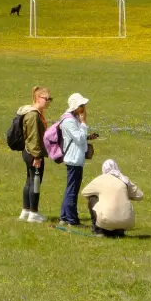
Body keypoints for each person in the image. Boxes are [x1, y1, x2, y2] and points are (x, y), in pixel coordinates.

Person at [57, 93, 94, 227]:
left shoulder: (73, 118)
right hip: (74, 159)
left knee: (70, 188)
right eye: (81, 105)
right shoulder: (69, 121)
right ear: (75, 106)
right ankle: (72, 220)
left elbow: (78, 137)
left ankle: (64, 217)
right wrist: (84, 123)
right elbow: (79, 138)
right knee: (72, 190)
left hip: (75, 157)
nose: (84, 108)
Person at [82, 159, 144, 237]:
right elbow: (139, 195)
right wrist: (126, 194)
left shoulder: (100, 179)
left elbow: (84, 192)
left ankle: (98, 229)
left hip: (106, 220)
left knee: (92, 198)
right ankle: (118, 230)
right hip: (127, 222)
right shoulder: (124, 179)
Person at [18, 86, 52, 223]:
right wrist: (37, 156)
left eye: (50, 99)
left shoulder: (34, 113)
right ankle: (33, 213)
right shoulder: (33, 115)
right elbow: (34, 137)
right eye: (46, 99)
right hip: (33, 153)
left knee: (29, 180)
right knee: (35, 182)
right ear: (38, 98)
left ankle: (25, 211)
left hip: (28, 152)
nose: (48, 101)